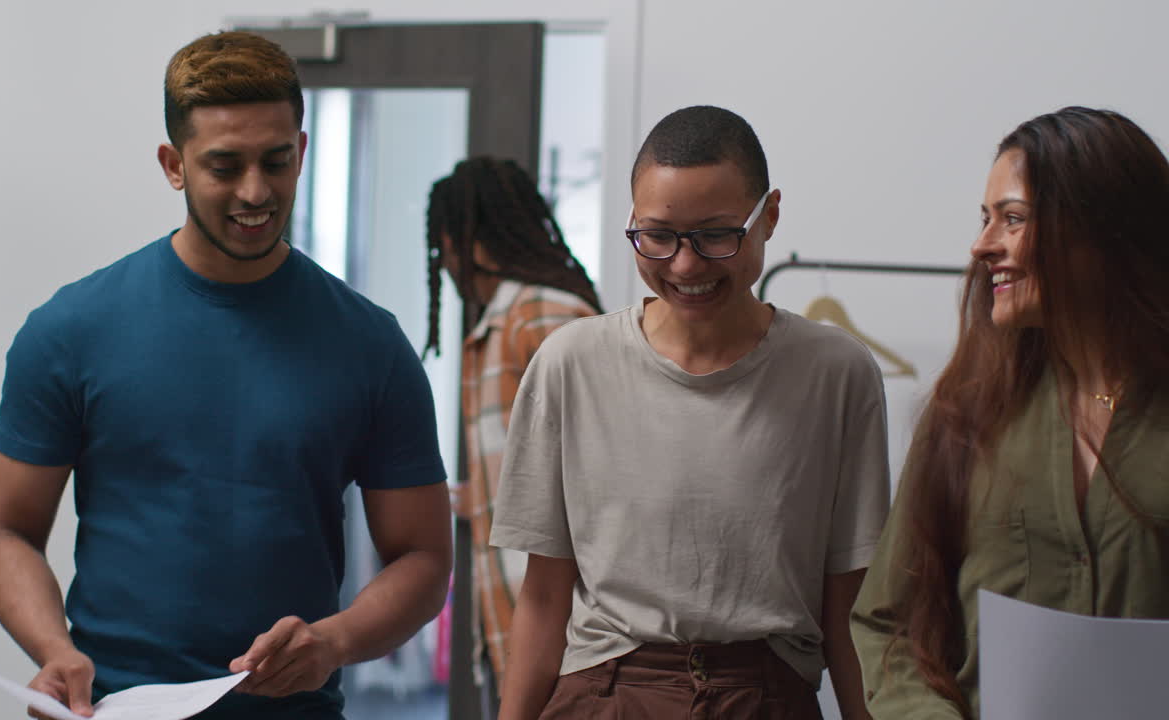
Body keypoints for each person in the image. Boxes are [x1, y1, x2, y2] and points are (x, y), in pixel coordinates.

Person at [0, 31, 452, 720]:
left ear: (303, 152)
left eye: (276, 161)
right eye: (224, 166)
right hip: (113, 706)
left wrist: (332, 642)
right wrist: (54, 648)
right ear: (173, 164)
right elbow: (7, 531)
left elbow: (423, 557)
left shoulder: (370, 344)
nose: (255, 192)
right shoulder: (71, 330)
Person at [490, 105, 889, 720]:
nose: (684, 265)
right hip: (606, 693)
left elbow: (849, 604)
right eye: (657, 235)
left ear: (770, 216)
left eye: (715, 235)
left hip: (766, 694)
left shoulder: (836, 373)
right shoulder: (571, 363)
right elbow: (543, 598)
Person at [850, 106, 1169, 719]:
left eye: (1013, 219)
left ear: (1098, 231)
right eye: (985, 219)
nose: (981, 245)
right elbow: (887, 624)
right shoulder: (962, 417)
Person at [423, 156, 601, 706]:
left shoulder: (543, 317)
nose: (445, 262)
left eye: (444, 242)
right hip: (520, 639)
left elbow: (595, 483)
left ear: (468, 238)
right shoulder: (496, 328)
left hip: (570, 648)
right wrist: (472, 499)